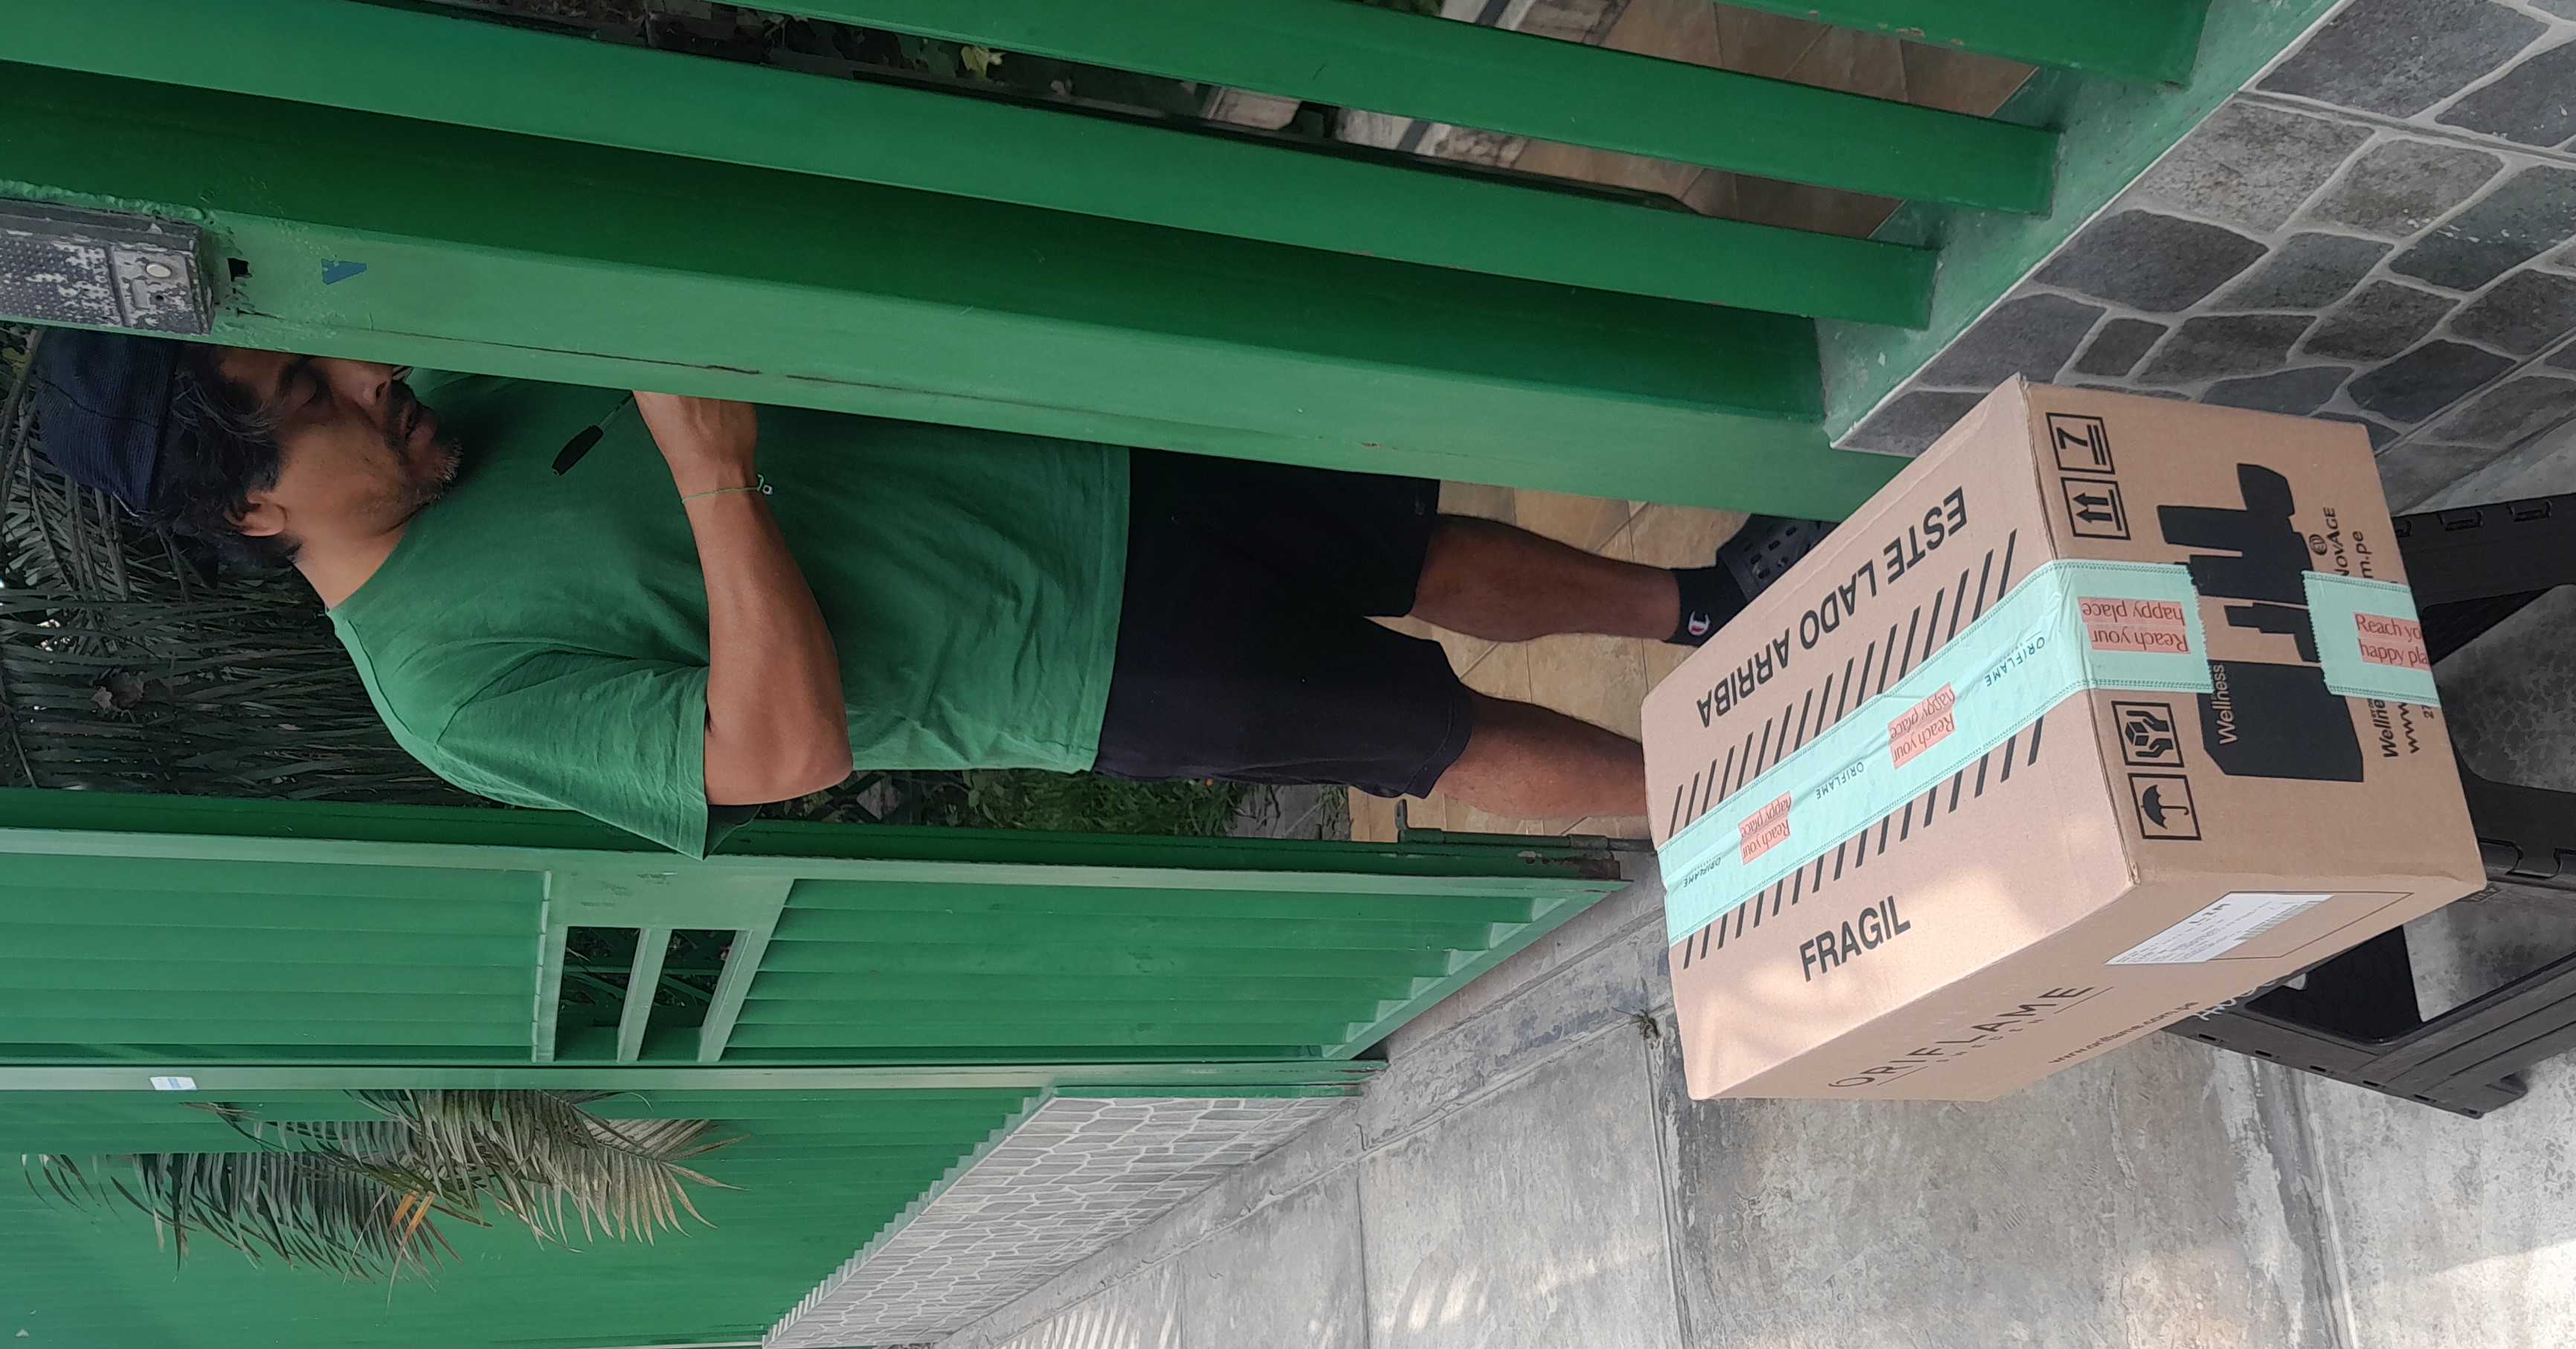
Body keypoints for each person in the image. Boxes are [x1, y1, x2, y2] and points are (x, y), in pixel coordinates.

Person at [30, 331, 1822, 854]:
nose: (370, 380)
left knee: (1411, 546)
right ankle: (1751, 802)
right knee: (1425, 734)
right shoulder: (440, 686)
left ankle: (1701, 603)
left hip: (1068, 468)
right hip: (1068, 663)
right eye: (313, 400)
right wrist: (712, 478)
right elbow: (778, 756)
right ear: (255, 512)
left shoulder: (467, 377)